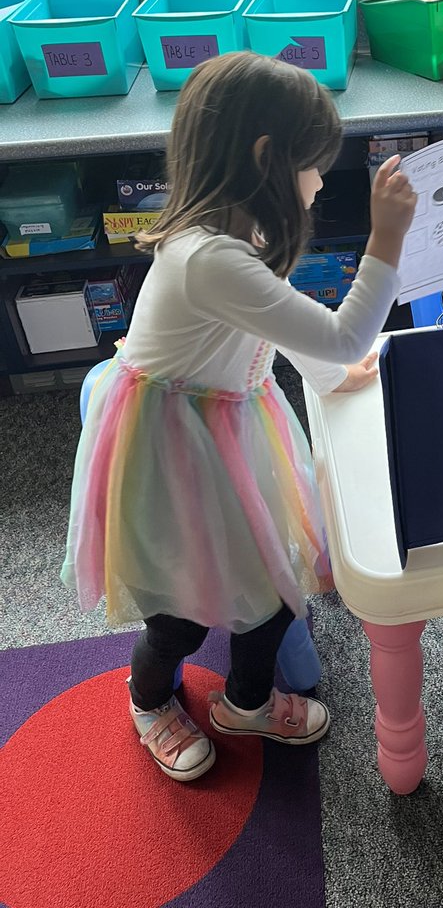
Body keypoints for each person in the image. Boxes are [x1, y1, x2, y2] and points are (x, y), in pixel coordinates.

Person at [61, 52, 416, 781]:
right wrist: (386, 240)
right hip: (172, 451)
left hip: (227, 425)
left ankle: (247, 702)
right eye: (313, 167)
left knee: (274, 586)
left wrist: (329, 372)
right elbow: (345, 330)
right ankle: (148, 700)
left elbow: (288, 330)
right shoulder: (209, 259)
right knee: (181, 616)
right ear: (266, 159)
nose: (320, 182)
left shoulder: (243, 234)